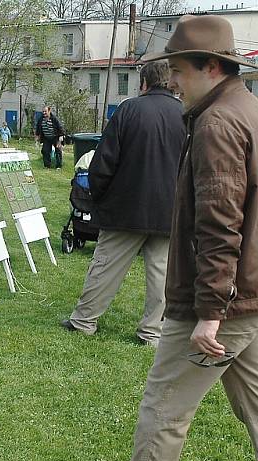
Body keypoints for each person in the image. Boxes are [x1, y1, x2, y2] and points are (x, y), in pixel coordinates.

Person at [70, 14, 258, 461]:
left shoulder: (218, 124)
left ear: (210, 66)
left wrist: (210, 312)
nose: (174, 81)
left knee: (166, 403)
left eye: (178, 69)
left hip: (230, 303)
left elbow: (220, 225)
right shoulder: (252, 111)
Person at [60, 60, 185, 344]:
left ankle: (84, 321)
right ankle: (153, 332)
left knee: (105, 267)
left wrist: (98, 197)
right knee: (162, 276)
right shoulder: (186, 114)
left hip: (125, 208)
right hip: (170, 210)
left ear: (144, 83)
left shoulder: (129, 109)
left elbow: (103, 160)